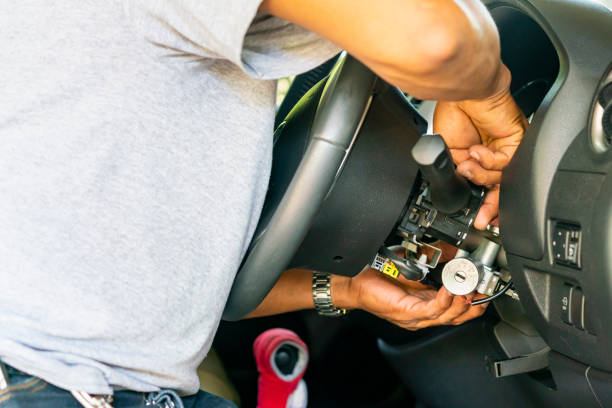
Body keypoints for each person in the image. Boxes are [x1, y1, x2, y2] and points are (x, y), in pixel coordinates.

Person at [0, 0, 527, 407]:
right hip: (52, 379)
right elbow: (436, 40)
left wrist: (345, 289)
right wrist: (491, 97)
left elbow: (192, 289)